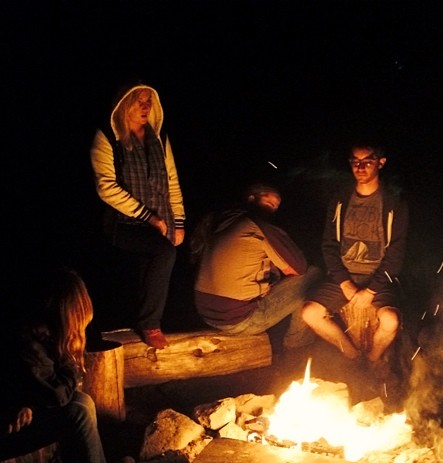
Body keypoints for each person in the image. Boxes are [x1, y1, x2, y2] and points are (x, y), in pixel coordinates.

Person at [1, 268, 114, 463]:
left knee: (82, 403)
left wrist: (29, 402)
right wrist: (72, 364)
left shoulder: (38, 332)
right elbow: (54, 395)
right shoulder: (29, 340)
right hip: (6, 431)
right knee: (77, 412)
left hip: (16, 416)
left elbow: (39, 390)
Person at [90, 82, 186, 349]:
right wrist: (148, 216)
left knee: (157, 259)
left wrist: (178, 221)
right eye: (139, 101)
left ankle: (147, 322)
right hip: (124, 222)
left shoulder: (158, 137)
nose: (145, 106)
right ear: (124, 105)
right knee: (163, 253)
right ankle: (150, 324)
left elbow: (172, 180)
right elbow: (106, 186)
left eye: (148, 101)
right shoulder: (109, 138)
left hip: (161, 218)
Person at [301, 142, 409, 370]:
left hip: (378, 278)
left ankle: (373, 359)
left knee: (391, 320)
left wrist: (371, 290)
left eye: (367, 161)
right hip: (344, 276)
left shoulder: (393, 204)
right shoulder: (340, 201)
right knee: (310, 313)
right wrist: (345, 283)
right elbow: (329, 245)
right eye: (355, 162)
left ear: (381, 163)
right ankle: (352, 356)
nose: (360, 167)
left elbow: (396, 253)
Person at [191, 183, 321, 350]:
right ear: (251, 199)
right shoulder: (257, 225)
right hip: (238, 319)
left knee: (275, 277)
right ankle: (298, 346)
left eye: (275, 207)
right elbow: (299, 268)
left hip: (206, 313)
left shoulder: (221, 220)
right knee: (312, 275)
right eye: (269, 204)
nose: (272, 211)